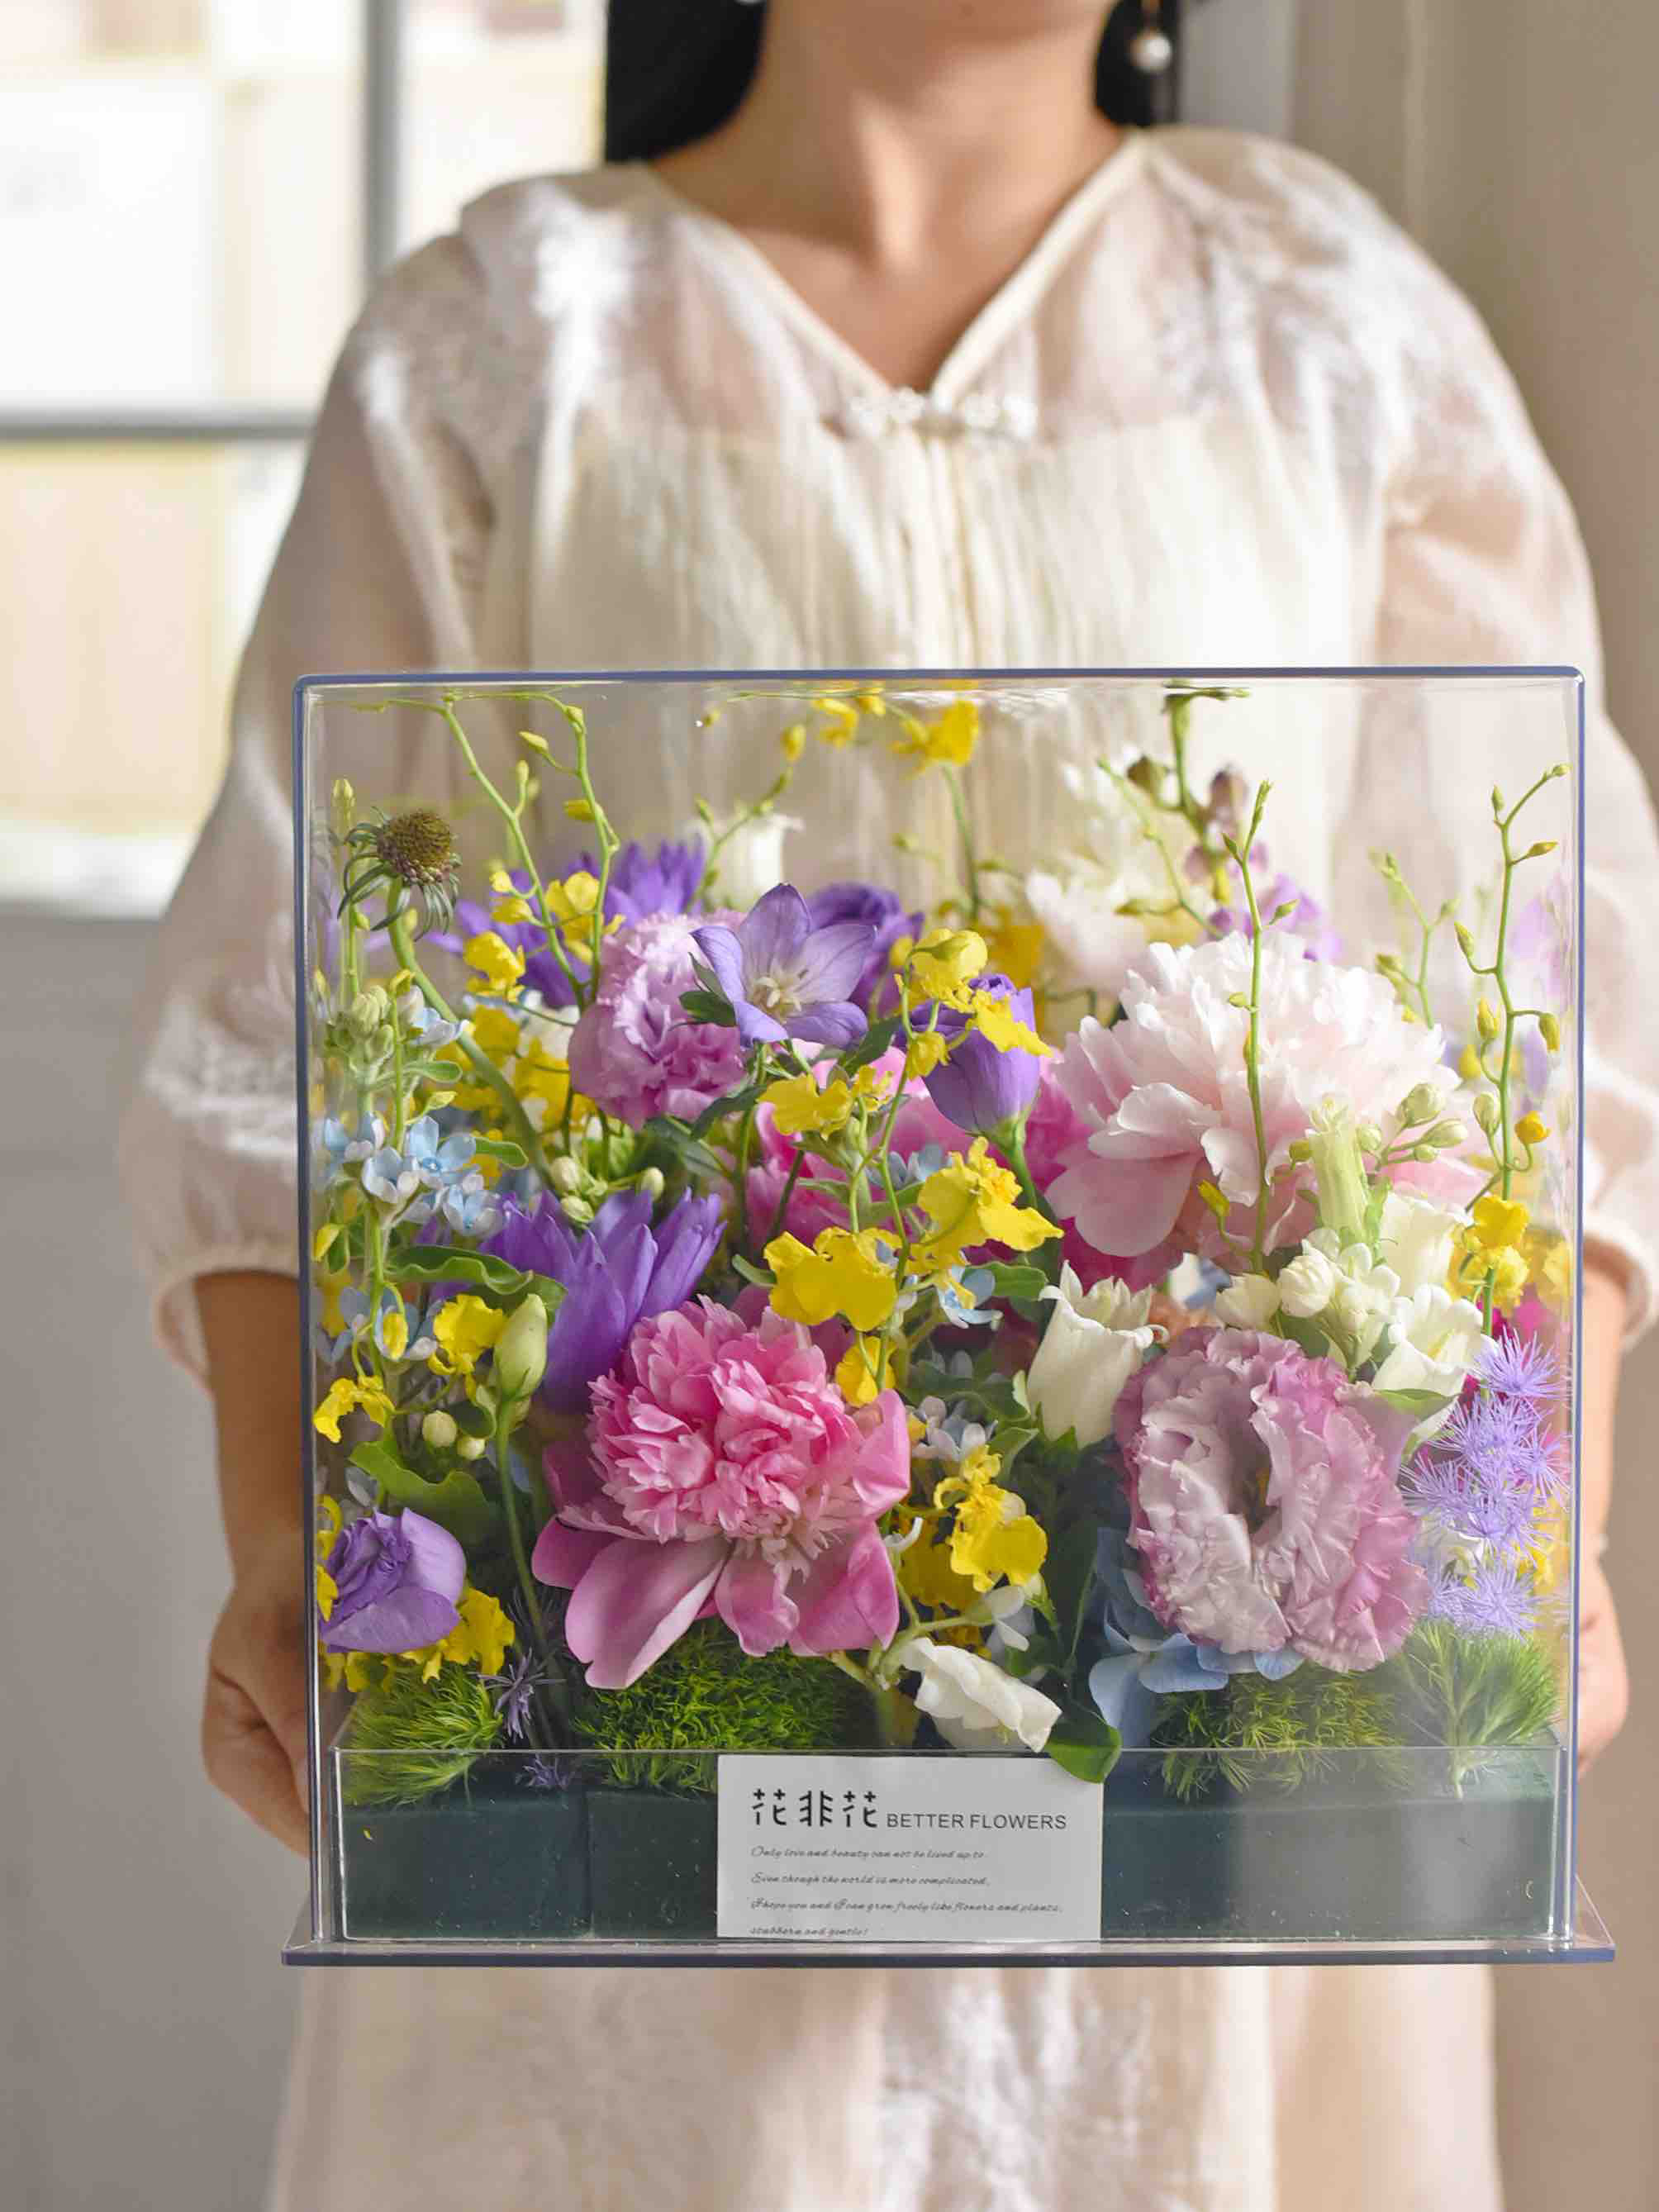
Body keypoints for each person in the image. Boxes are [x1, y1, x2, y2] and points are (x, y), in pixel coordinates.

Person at [120, 5, 1650, 2208]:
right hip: (646, 1707)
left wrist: (1537, 1530)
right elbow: (283, 1011)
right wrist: (296, 1544)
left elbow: (1554, 1005)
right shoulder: (505, 343)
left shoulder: (1332, 324)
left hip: (1207, 1728)